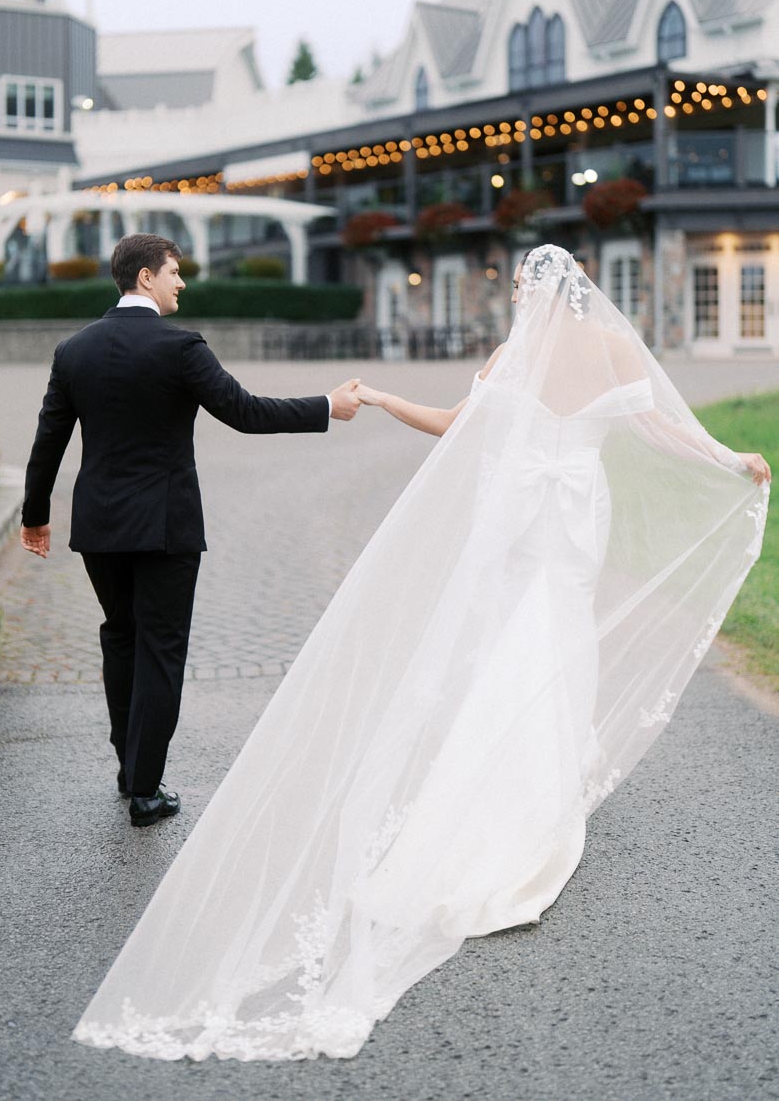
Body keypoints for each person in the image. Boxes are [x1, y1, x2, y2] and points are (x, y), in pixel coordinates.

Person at [72, 244, 769, 1061]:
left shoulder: (517, 355)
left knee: (523, 640)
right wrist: (728, 458)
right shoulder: (611, 349)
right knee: (557, 639)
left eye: (516, 287)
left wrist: (383, 397)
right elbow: (660, 427)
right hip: (574, 518)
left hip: (525, 523)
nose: (513, 300)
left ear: (544, 297)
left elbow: (456, 429)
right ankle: (537, 790)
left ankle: (516, 777)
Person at [21, 232, 362, 827]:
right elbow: (247, 413)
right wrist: (327, 405)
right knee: (160, 650)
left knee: (121, 637)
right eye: (174, 272)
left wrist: (35, 516)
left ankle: (130, 770)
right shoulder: (180, 348)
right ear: (146, 277)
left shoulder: (73, 350)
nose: (182, 283)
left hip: (99, 527)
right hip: (166, 527)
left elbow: (49, 439)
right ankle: (145, 792)